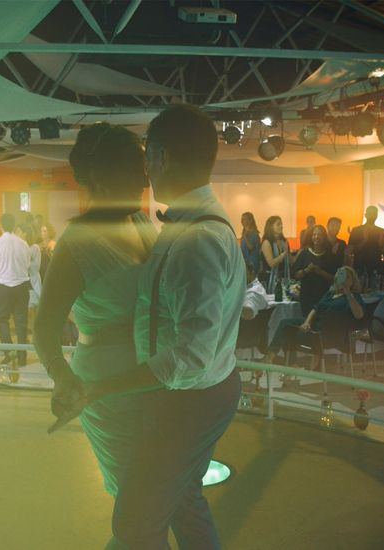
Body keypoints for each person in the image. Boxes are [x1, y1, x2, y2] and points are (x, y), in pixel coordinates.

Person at [52, 105, 244, 549]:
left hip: (187, 400)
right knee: (182, 500)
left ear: (162, 157)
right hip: (194, 393)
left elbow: (189, 358)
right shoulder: (193, 226)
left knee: (136, 521)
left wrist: (103, 387)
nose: (144, 175)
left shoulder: (196, 238)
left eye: (146, 161)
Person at [34, 122, 157, 504]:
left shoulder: (140, 221)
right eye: (135, 169)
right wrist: (63, 378)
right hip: (107, 382)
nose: (145, 179)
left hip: (154, 374)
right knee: (136, 498)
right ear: (103, 179)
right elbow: (44, 328)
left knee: (161, 493)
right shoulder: (76, 243)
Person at [267, 266, 364, 370]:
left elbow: (359, 315)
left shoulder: (353, 297)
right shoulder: (331, 294)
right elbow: (316, 309)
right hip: (316, 326)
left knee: (288, 333)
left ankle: (280, 362)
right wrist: (307, 322)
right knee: (285, 323)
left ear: (353, 281)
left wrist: (348, 294)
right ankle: (274, 360)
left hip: (329, 335)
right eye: (341, 275)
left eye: (348, 277)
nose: (344, 279)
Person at [0, 213, 31, 368]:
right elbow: (27, 266)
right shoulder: (23, 244)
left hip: (4, 287)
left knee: (2, 319)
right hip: (21, 286)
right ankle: (22, 356)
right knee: (21, 322)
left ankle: (9, 352)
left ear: (1, 225)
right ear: (14, 226)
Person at [292, 224, 341, 315]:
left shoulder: (330, 256)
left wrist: (320, 272)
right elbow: (295, 275)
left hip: (324, 296)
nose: (316, 237)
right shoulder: (304, 254)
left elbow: (335, 278)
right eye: (314, 235)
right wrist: (306, 270)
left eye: (319, 235)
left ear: (324, 237)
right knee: (306, 321)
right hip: (307, 295)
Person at [347, 206, 384, 273]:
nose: (372, 216)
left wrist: (380, 244)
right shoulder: (356, 230)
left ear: (376, 216)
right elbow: (351, 251)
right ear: (365, 215)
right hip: (359, 267)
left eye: (374, 214)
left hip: (376, 268)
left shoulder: (382, 232)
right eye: (370, 214)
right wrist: (364, 241)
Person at [260, 215, 290, 293]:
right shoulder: (266, 242)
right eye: (278, 224)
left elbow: (290, 261)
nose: (281, 226)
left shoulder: (284, 241)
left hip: (282, 278)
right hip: (269, 278)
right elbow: (271, 263)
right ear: (271, 227)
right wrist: (283, 255)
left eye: (281, 224)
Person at [17, 222, 43, 310]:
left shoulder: (34, 247)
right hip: (20, 283)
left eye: (18, 232)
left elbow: (33, 267)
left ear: (25, 233)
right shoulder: (18, 247)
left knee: (31, 309)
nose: (16, 234)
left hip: (31, 283)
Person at [239, 212, 261, 276]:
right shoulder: (245, 232)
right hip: (245, 263)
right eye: (242, 219)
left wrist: (245, 237)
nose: (242, 221)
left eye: (244, 219)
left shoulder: (254, 234)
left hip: (252, 264)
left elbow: (251, 247)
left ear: (250, 220)